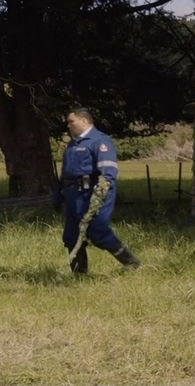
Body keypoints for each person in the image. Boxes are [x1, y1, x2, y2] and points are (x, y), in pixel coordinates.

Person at [59, 107, 140, 273]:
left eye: (71, 121)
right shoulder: (73, 143)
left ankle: (131, 262)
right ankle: (79, 276)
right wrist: (58, 194)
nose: (68, 125)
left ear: (84, 121)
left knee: (97, 231)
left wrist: (99, 196)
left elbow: (108, 173)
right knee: (72, 236)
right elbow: (65, 173)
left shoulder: (100, 141)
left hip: (94, 194)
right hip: (73, 195)